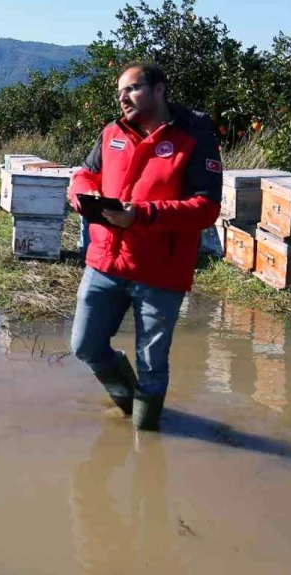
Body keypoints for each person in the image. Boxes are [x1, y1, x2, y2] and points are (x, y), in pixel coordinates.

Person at [66, 62, 221, 431]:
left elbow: (206, 208)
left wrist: (143, 215)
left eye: (132, 89)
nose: (123, 98)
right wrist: (82, 194)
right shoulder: (112, 134)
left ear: (160, 90)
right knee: (85, 345)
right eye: (119, 92)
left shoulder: (194, 138)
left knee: (152, 363)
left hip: (159, 271)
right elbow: (85, 174)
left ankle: (145, 435)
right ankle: (127, 402)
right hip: (105, 261)